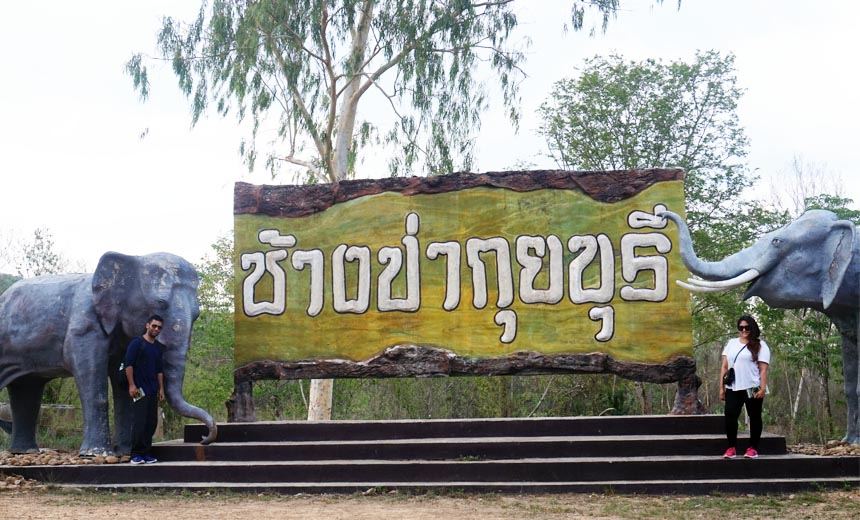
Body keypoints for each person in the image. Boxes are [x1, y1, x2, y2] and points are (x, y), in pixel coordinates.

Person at [719, 315, 770, 459]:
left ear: (752, 328)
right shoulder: (731, 343)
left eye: (747, 327)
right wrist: (721, 388)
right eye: (741, 328)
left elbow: (763, 369)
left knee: (754, 417)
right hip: (733, 386)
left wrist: (762, 388)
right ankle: (731, 448)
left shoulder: (760, 345)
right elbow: (724, 366)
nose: (744, 330)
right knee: (730, 415)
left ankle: (753, 448)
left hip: (752, 386)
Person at [124, 314, 166, 464]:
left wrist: (161, 389)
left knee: (151, 422)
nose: (156, 329)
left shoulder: (157, 348)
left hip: (152, 389)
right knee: (139, 421)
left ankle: (146, 453)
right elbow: (128, 365)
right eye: (154, 326)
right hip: (139, 390)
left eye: (159, 327)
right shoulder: (137, 343)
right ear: (147, 325)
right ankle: (135, 454)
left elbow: (159, 371)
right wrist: (132, 385)